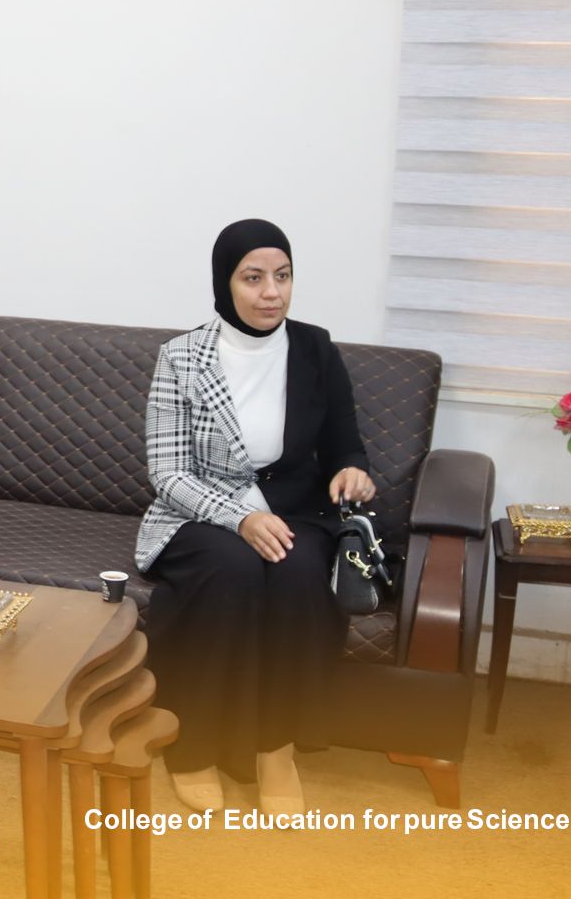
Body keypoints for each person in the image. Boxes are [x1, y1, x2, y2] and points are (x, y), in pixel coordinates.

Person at [135, 219, 376, 815]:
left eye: (283, 276)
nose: (272, 293)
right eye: (253, 278)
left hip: (295, 511)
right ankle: (192, 746)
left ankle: (276, 749)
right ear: (225, 282)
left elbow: (344, 444)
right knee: (231, 571)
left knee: (299, 576)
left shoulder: (316, 349)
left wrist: (352, 470)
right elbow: (168, 473)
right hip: (198, 512)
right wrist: (237, 519)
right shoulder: (181, 357)